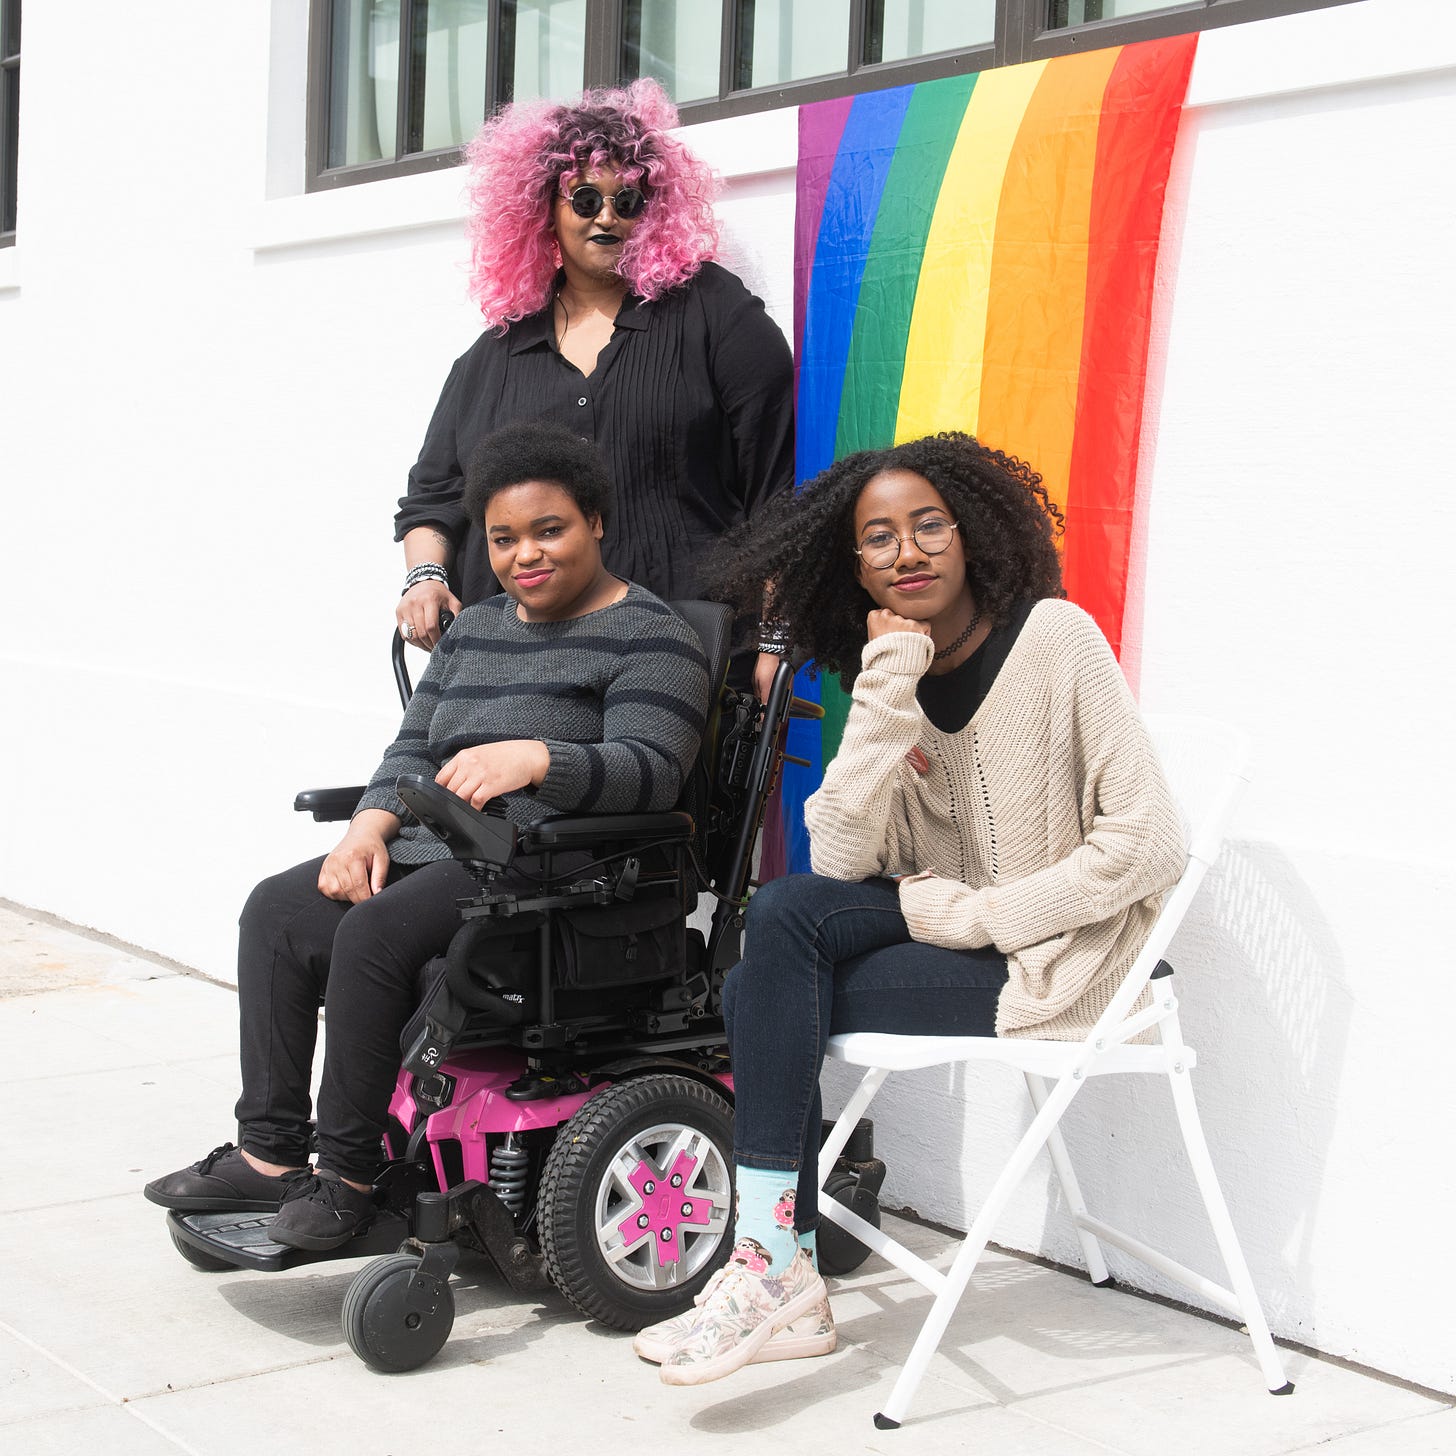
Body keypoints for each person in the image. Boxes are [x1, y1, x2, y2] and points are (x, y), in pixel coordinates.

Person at [633, 431, 1186, 1385]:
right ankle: (777, 1265)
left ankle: (772, 1265)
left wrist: (979, 917)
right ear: (852, 565)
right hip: (942, 920)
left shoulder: (1056, 640)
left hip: (1067, 958)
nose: (908, 551)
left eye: (928, 525)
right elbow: (845, 854)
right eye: (878, 537)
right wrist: (888, 683)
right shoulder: (895, 669)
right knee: (785, 914)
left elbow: (1150, 843)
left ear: (969, 531)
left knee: (758, 994)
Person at [146, 422, 711, 1251]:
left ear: (596, 521)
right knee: (280, 909)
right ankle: (268, 1155)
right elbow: (413, 747)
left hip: (554, 870)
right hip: (437, 854)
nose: (527, 556)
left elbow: (652, 770)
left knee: (374, 933)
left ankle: (347, 1180)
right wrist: (367, 829)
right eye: (505, 539)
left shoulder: (653, 636)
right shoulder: (477, 628)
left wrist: (537, 758)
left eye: (549, 530)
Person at [394, 78, 793, 697]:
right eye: (584, 198)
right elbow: (434, 494)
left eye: (628, 200)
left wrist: (775, 638)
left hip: (683, 657)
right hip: (518, 673)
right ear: (544, 209)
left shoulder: (715, 314)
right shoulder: (494, 355)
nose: (607, 216)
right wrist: (424, 575)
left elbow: (776, 490)